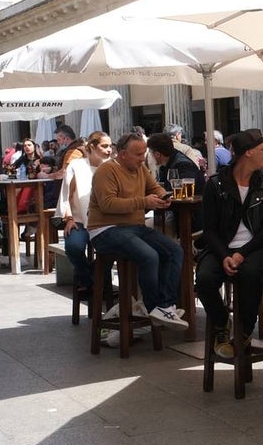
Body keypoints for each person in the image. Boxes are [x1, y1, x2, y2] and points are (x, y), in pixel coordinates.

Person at [195, 130, 263, 359]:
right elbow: (210, 229)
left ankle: (244, 329)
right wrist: (225, 254)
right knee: (204, 278)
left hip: (257, 247)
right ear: (248, 153)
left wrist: (241, 253)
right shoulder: (216, 184)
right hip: (221, 247)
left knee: (251, 272)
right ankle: (222, 321)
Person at [87, 133, 187, 330]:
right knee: (149, 256)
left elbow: (154, 187)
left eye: (144, 153)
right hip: (105, 229)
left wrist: (164, 196)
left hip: (134, 227)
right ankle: (154, 307)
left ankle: (165, 305)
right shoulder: (106, 171)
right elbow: (108, 204)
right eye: (138, 154)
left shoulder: (140, 168)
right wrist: (144, 201)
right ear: (123, 154)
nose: (143, 158)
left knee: (175, 251)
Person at [58, 131, 113, 295]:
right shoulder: (77, 165)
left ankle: (97, 280)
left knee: (113, 248)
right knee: (73, 247)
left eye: (110, 146)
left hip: (106, 221)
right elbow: (66, 194)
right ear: (92, 147)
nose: (109, 150)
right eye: (104, 146)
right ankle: (89, 278)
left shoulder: (113, 166)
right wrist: (68, 219)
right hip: (79, 219)